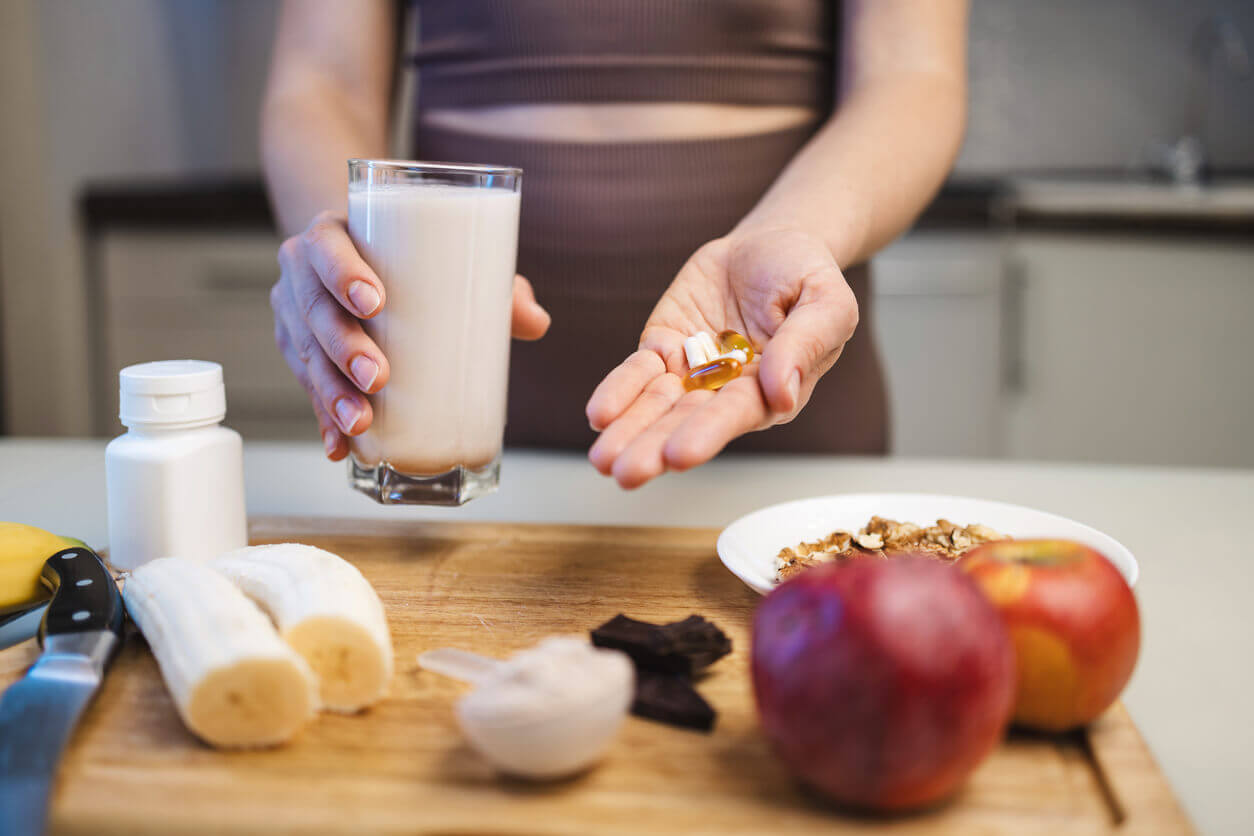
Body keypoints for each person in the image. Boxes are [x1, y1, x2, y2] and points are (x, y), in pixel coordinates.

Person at [262, 0, 968, 489]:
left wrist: (794, 232)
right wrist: (346, 255)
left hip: (782, 430)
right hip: (444, 448)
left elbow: (912, 75)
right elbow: (322, 80)